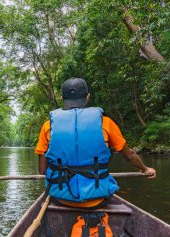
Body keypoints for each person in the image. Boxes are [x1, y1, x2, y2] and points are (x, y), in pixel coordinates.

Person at [35, 78, 156, 208]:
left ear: (62, 98)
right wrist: (145, 169)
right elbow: (130, 155)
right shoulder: (106, 123)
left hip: (61, 198)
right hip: (97, 200)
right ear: (87, 97)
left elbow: (42, 171)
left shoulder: (49, 126)